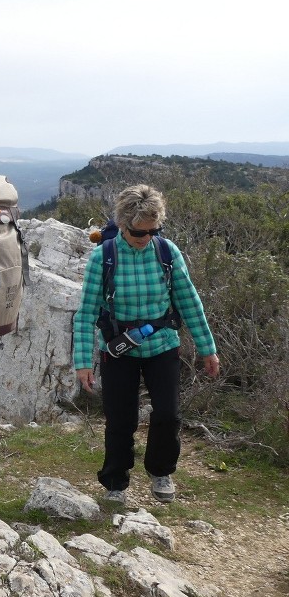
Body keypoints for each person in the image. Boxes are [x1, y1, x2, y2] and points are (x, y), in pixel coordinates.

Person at [73, 184, 220, 506]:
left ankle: (161, 471)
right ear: (123, 226)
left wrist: (207, 348)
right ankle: (115, 482)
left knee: (168, 414)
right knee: (120, 419)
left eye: (155, 230)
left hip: (163, 345)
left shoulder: (167, 252)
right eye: (140, 233)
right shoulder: (104, 257)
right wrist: (83, 361)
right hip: (118, 349)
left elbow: (189, 301)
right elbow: (85, 313)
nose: (147, 238)